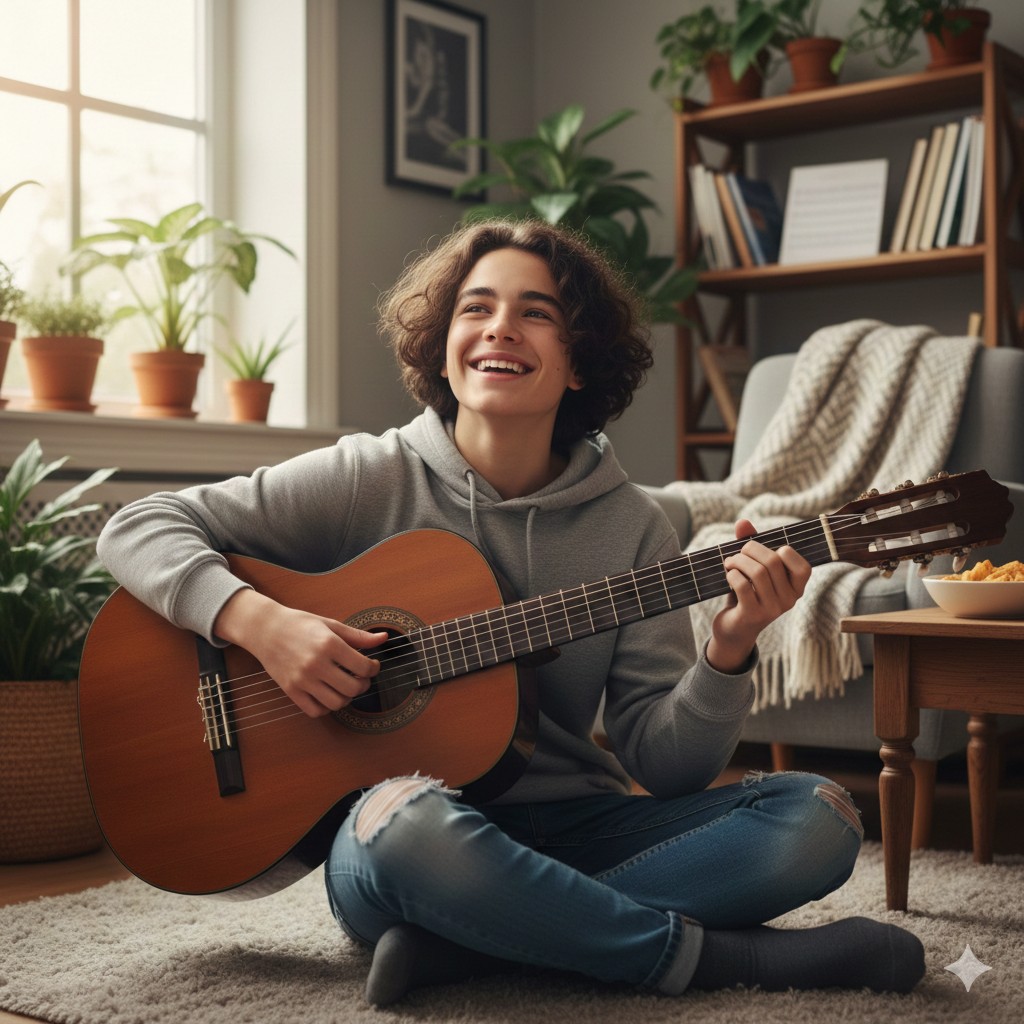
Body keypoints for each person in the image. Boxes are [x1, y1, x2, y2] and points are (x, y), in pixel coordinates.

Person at [97, 220, 925, 1006]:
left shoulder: (632, 527)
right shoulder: (368, 477)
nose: (500, 327)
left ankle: (474, 942)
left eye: (536, 313)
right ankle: (717, 961)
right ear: (444, 348)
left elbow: (667, 766)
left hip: (583, 826)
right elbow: (138, 526)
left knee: (817, 818)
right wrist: (263, 625)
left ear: (578, 363)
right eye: (476, 308)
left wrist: (731, 646)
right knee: (405, 824)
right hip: (409, 838)